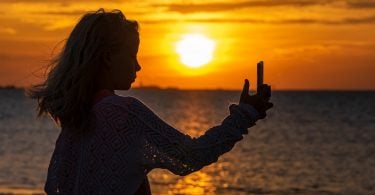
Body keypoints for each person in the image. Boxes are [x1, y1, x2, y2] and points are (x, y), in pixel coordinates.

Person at [28, 9, 273, 195]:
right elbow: (190, 156)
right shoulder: (122, 113)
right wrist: (245, 114)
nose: (138, 66)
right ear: (109, 57)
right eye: (132, 55)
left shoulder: (75, 122)